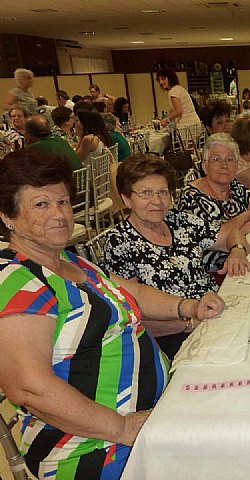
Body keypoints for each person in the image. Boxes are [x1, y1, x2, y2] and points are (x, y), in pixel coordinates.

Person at [0, 150, 225, 479]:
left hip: (149, 415)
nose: (59, 214)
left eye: (63, 202)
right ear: (7, 216)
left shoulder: (70, 261)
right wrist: (123, 428)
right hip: (91, 446)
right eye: (41, 204)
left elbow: (133, 293)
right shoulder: (16, 280)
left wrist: (189, 306)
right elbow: (29, 388)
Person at [103, 153, 250, 359]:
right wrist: (188, 323)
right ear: (127, 198)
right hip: (173, 337)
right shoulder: (120, 242)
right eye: (146, 193)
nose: (157, 201)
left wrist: (237, 250)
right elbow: (130, 318)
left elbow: (231, 233)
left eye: (163, 192)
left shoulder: (178, 221)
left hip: (214, 312)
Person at [177, 133, 250, 279]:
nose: (224, 165)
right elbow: (213, 241)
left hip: (242, 257)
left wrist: (244, 217)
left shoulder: (234, 186)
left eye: (229, 159)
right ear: (205, 166)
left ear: (236, 165)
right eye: (216, 159)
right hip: (214, 272)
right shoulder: (191, 196)